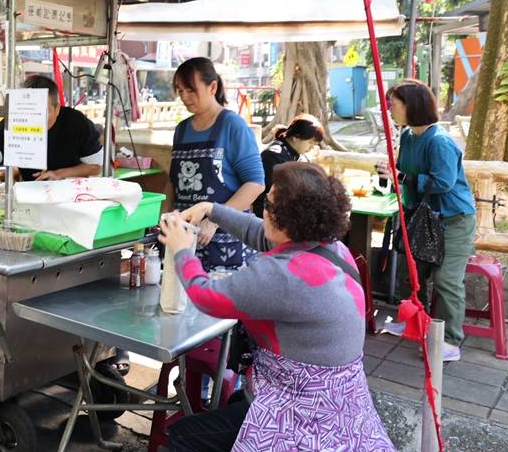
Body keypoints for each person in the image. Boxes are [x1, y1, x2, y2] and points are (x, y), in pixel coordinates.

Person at [160, 162, 395, 451]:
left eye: (267, 203)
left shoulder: (282, 275)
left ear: (286, 218)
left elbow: (207, 296)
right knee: (233, 405)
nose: (262, 208)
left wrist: (182, 249)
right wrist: (211, 209)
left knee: (184, 434)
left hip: (299, 414)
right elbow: (263, 234)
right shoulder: (333, 249)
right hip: (343, 406)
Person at [379, 79, 476, 361]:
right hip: (421, 216)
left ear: (412, 106)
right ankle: (412, 323)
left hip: (453, 220)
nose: (389, 110)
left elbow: (443, 182)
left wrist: (401, 178)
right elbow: (403, 171)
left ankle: (449, 341)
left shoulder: (439, 141)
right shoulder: (409, 136)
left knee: (446, 281)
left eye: (393, 104)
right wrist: (390, 174)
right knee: (412, 274)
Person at [168, 57, 264, 271]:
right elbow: (173, 182)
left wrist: (214, 220)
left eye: (190, 90)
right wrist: (165, 217)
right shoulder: (181, 130)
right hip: (186, 239)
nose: (184, 97)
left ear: (212, 87)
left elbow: (256, 184)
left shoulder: (232, 125)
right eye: (180, 90)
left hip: (227, 241)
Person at [0, 75, 103, 198]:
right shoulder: (14, 121)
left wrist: (59, 173)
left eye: (43, 111)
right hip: (30, 196)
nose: (36, 118)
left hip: (72, 196)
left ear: (57, 109)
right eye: (29, 111)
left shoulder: (76, 122)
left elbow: (96, 166)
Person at [251, 114, 325, 217]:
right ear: (295, 137)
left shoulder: (297, 155)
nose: (312, 147)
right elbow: (280, 194)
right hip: (270, 216)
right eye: (310, 142)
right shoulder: (273, 156)